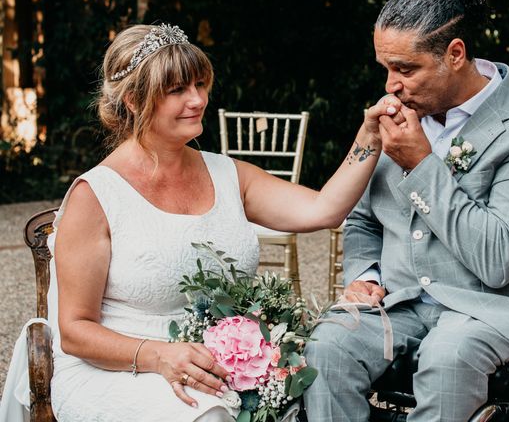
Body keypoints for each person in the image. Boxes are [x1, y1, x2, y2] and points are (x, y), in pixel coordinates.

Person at [0, 23, 400, 422]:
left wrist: (369, 137)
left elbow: (324, 209)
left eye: (200, 84)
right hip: (118, 367)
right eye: (177, 90)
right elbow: (73, 331)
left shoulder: (229, 175)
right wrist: (158, 355)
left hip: (215, 367)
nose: (196, 100)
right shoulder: (96, 195)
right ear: (135, 101)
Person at [303, 0, 509, 422]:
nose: (391, 86)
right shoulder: (398, 115)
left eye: (405, 69)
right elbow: (362, 219)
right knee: (328, 345)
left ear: (455, 54)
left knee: (448, 358)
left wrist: (422, 165)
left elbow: (498, 260)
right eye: (385, 68)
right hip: (403, 301)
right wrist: (366, 273)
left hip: (493, 308)